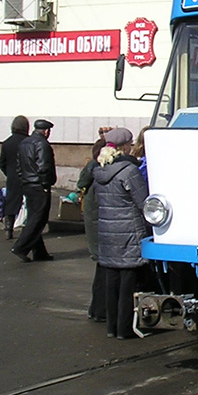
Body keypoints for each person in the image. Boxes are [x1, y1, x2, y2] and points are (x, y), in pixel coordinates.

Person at [93, 127, 149, 340]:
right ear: (125, 147)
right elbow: (143, 202)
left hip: (107, 232)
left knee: (111, 281)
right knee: (128, 282)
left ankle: (112, 326)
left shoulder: (100, 170)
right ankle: (125, 329)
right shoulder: (129, 171)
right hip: (128, 232)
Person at [11, 119, 56, 262]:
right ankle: (20, 247)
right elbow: (44, 167)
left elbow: (19, 166)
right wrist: (45, 184)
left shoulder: (24, 143)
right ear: (46, 131)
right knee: (38, 218)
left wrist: (24, 179)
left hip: (27, 184)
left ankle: (40, 252)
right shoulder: (42, 144)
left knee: (34, 217)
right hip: (39, 186)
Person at [78, 134, 108, 322]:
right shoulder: (98, 173)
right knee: (104, 270)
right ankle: (99, 310)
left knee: (101, 269)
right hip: (101, 227)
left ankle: (96, 309)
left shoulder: (91, 171)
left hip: (96, 226)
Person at [0, 115, 29, 239]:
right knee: (27, 203)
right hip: (27, 177)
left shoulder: (7, 143)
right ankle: (26, 229)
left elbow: (2, 162)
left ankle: (8, 228)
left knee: (11, 202)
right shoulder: (29, 142)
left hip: (12, 177)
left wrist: (9, 173)